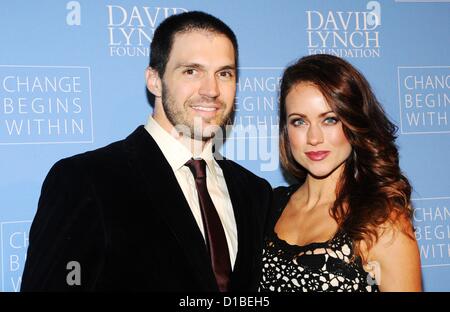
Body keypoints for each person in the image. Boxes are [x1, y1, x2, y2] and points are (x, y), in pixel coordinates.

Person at [21, 11, 272, 292]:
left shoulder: (254, 192)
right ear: (154, 80)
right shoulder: (88, 180)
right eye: (191, 71)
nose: (211, 90)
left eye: (224, 73)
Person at [259, 54, 422, 292]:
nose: (314, 138)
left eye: (330, 120)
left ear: (353, 122)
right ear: (285, 129)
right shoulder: (267, 206)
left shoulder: (381, 222)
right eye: (299, 122)